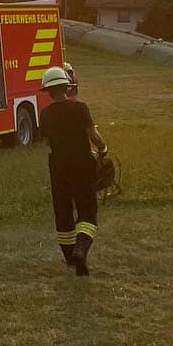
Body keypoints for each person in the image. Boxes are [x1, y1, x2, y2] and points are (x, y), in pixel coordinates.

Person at [39, 65, 107, 277]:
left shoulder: (45, 114)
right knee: (87, 211)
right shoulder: (80, 108)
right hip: (83, 166)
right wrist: (103, 149)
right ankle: (80, 250)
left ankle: (70, 258)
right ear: (67, 88)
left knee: (63, 213)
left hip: (58, 168)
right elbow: (93, 137)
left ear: (48, 91)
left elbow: (48, 141)